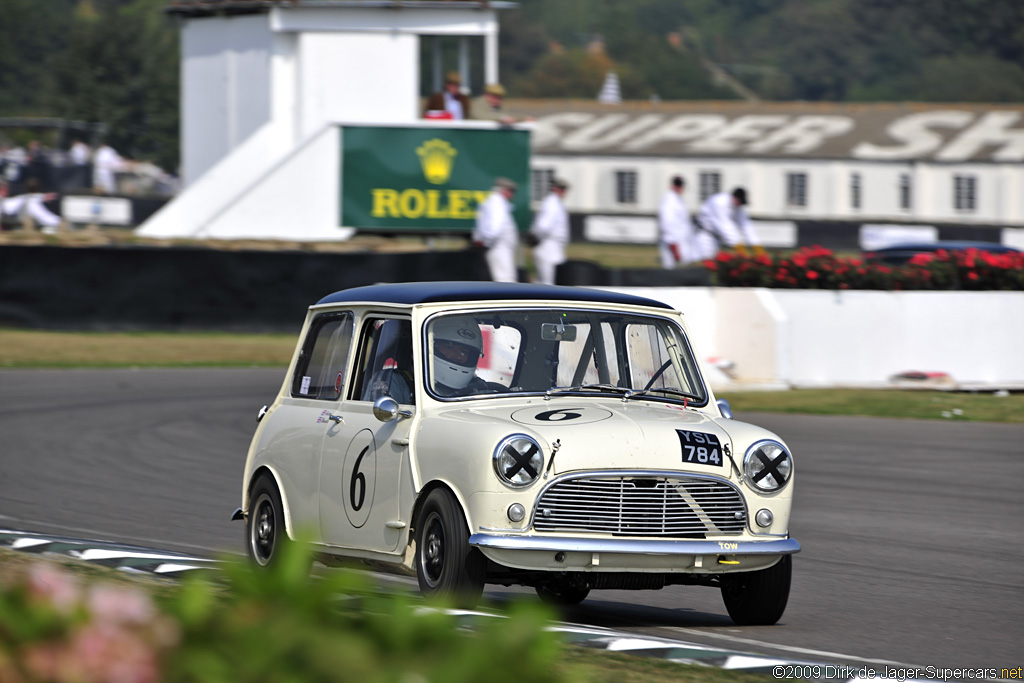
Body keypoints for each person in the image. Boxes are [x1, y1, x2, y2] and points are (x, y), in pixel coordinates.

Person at [428, 315, 489, 397]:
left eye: (464, 351)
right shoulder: (412, 385)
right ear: (432, 347)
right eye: (449, 348)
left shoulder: (480, 387)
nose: (458, 356)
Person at [695, 187, 762, 260]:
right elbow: (725, 226)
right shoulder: (720, 202)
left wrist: (756, 245)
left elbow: (745, 225)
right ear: (734, 197)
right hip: (704, 236)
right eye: (740, 202)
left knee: (713, 263)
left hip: (716, 238)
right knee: (703, 263)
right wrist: (738, 246)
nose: (740, 205)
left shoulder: (737, 206)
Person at [473, 177, 519, 282]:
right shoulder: (496, 202)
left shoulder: (496, 201)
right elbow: (494, 228)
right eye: (512, 191)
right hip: (498, 247)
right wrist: (488, 243)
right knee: (505, 280)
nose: (512, 194)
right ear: (505, 190)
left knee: (505, 279)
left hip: (499, 247)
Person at [530, 178, 570, 285]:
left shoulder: (554, 202)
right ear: (555, 189)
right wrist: (537, 238)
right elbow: (543, 226)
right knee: (550, 284)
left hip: (550, 246)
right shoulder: (552, 203)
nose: (564, 192)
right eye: (561, 189)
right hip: (548, 247)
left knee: (542, 283)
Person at [658, 175, 694, 269]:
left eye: (681, 185)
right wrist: (674, 249)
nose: (679, 187)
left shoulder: (679, 200)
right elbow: (666, 224)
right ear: (672, 185)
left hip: (682, 244)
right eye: (677, 185)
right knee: (670, 275)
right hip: (673, 246)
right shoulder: (669, 200)